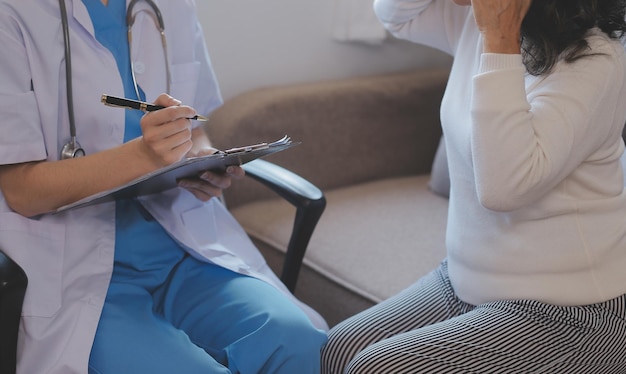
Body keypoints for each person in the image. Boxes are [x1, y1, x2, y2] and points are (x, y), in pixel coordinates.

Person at [0, 0, 328, 373]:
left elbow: (195, 127)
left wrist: (203, 162)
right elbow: (22, 190)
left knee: (295, 340)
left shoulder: (171, 6)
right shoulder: (11, 13)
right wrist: (144, 155)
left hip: (181, 244)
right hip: (78, 266)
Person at [321, 0, 626, 372]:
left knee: (373, 367)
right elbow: (394, 13)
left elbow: (503, 188)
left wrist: (500, 37)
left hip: (570, 309)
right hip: (466, 280)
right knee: (339, 348)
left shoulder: (596, 60)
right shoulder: (471, 22)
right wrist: (494, 27)